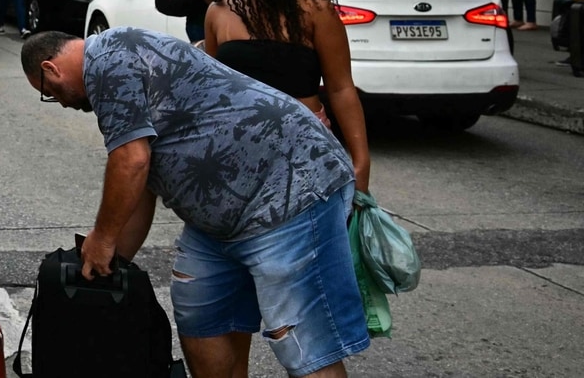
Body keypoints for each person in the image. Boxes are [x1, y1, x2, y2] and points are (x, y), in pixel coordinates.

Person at [21, 28, 368, 378]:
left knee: (304, 345)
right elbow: (141, 183)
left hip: (288, 194)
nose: (62, 102)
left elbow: (132, 160)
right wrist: (109, 264)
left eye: (50, 93)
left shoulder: (108, 63)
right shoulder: (112, 67)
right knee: (202, 318)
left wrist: (103, 237)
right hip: (219, 225)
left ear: (51, 69)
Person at [202, 0, 371, 186]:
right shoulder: (218, 12)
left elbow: (341, 88)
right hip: (236, 151)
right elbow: (213, 93)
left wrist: (361, 161)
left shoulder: (315, 9)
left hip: (306, 149)